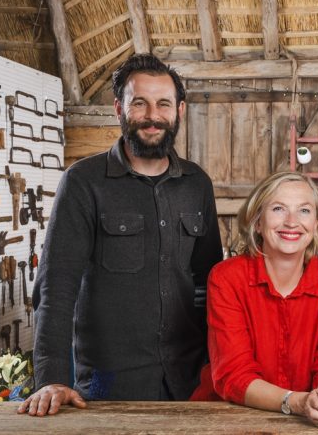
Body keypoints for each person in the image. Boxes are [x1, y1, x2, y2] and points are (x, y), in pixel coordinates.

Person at [19, 53, 223, 416]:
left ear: (180, 110)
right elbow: (56, 286)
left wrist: (215, 361)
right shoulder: (83, 182)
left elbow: (210, 283)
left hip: (188, 380)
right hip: (107, 384)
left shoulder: (197, 184)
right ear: (118, 108)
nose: (152, 116)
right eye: (139, 103)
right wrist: (52, 376)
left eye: (163, 104)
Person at [190, 172, 318, 428]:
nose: (292, 222)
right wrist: (297, 402)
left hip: (307, 421)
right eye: (278, 209)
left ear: (316, 223)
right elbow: (234, 375)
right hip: (227, 418)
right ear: (257, 222)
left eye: (304, 211)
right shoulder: (226, 278)